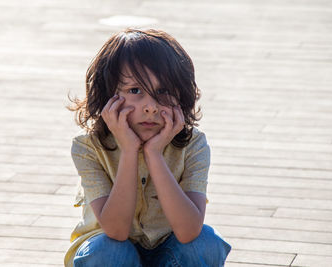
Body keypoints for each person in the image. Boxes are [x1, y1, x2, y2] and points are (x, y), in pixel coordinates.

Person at [64, 28, 231, 267]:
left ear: (181, 95)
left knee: (205, 243)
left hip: (170, 247)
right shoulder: (88, 146)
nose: (150, 107)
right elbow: (117, 230)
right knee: (107, 251)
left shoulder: (194, 144)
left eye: (162, 91)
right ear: (108, 96)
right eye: (135, 91)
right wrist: (130, 151)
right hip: (113, 249)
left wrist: (154, 154)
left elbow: (188, 232)